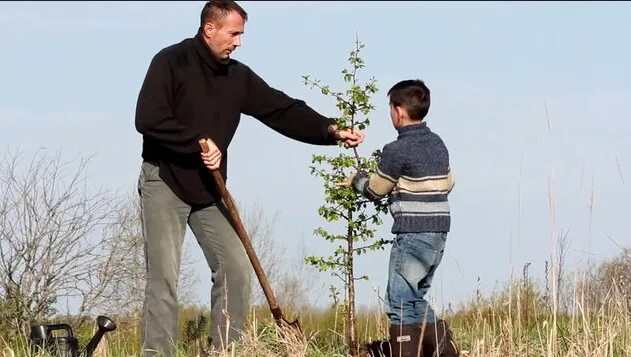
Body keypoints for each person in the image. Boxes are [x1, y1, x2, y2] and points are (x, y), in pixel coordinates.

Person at [134, 1, 364, 355]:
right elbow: (148, 118)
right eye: (234, 33)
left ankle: (227, 350)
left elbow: (280, 109)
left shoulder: (237, 76)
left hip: (209, 188)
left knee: (237, 269)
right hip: (164, 180)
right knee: (164, 278)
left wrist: (330, 130)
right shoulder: (171, 61)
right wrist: (197, 142)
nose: (239, 42)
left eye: (241, 34)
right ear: (209, 29)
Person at [338, 80, 459, 357]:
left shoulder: (396, 150)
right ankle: (443, 350)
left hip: (413, 232)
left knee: (399, 302)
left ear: (399, 111)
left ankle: (406, 352)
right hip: (439, 231)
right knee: (416, 298)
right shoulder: (438, 144)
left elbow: (376, 189)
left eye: (390, 108)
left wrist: (355, 180)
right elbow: (449, 182)